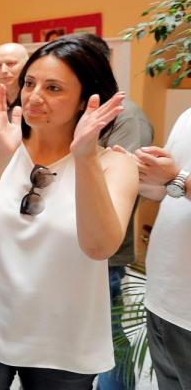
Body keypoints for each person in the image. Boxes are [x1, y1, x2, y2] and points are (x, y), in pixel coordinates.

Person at [0, 36, 138, 389]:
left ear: (88, 99)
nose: (34, 96)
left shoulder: (114, 164)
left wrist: (84, 157)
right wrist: (1, 156)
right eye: (29, 83)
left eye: (53, 88)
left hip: (63, 342)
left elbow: (99, 247)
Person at [69, 33, 154, 390]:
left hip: (108, 253)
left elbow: (121, 181)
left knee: (110, 340)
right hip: (71, 245)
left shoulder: (126, 116)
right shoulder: (78, 111)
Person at [131, 108, 191, 390]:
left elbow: (178, 181)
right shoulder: (187, 116)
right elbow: (164, 190)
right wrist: (142, 171)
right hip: (164, 300)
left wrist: (178, 178)